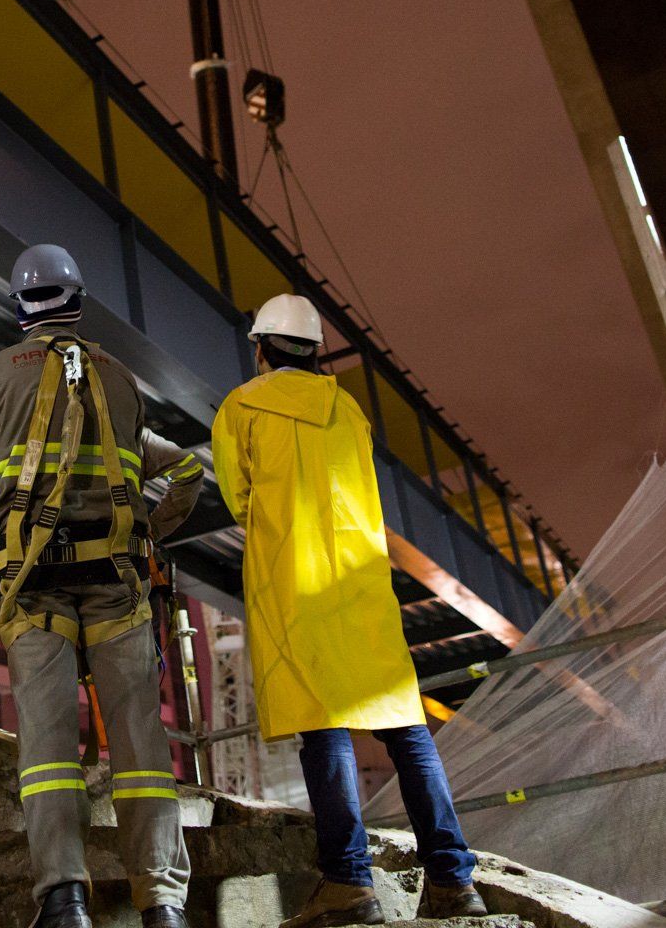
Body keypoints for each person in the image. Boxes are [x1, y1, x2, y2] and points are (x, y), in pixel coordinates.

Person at [210, 294, 487, 928]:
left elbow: (239, 499)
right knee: (408, 732)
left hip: (296, 588)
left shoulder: (241, 408)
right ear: (315, 352)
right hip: (361, 588)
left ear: (262, 349)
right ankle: (453, 879)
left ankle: (348, 885)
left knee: (325, 731)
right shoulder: (348, 408)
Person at [0, 244, 206, 928]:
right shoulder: (122, 377)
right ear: (78, 302)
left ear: (20, 307)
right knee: (141, 744)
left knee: (46, 746)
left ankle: (64, 898)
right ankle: (163, 902)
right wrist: (150, 531)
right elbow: (183, 470)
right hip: (117, 584)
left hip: (33, 586)